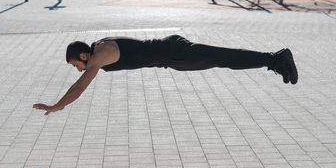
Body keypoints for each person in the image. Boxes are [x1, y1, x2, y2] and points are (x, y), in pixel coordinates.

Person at [33, 35, 298, 115]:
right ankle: (275, 62)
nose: (78, 69)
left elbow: (79, 87)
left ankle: (276, 59)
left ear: (82, 56)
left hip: (173, 52)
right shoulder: (100, 48)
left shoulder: (100, 55)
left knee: (223, 58)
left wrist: (58, 105)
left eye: (75, 65)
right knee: (221, 60)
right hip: (171, 58)